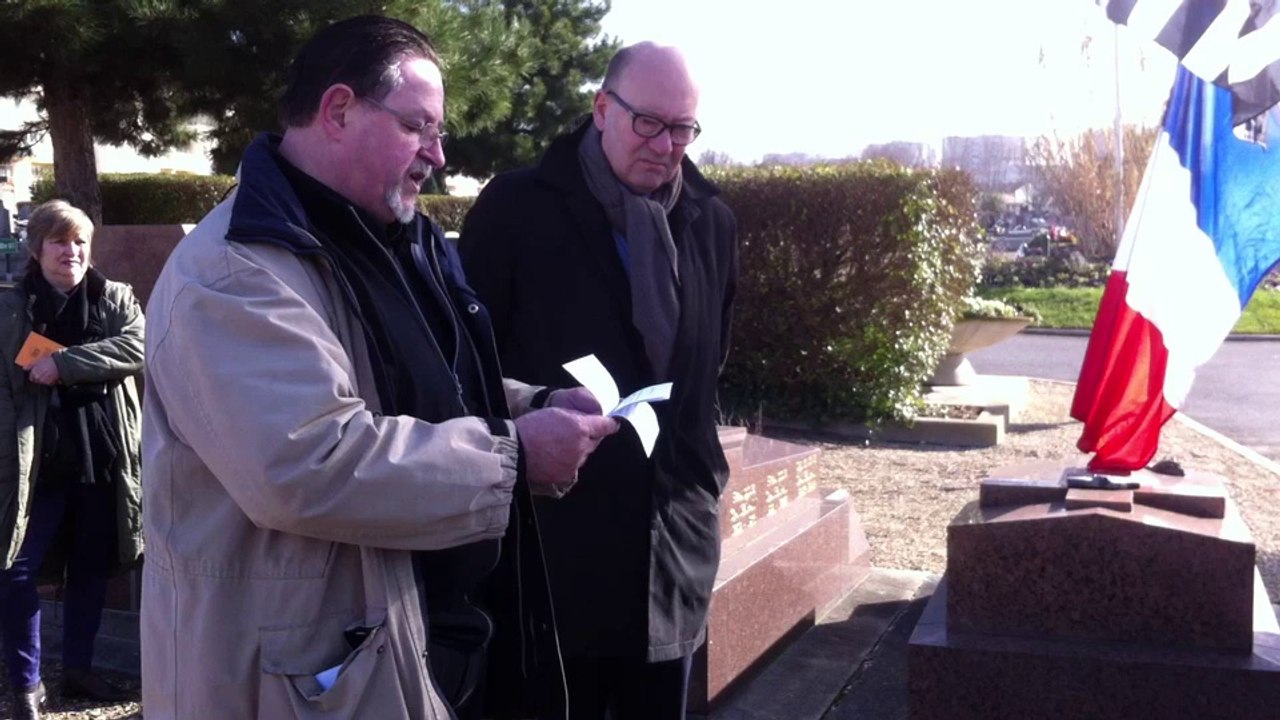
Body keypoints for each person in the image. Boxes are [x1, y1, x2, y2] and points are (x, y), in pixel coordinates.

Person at [140, 15, 617, 720]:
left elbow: (431, 385)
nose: (439, 156)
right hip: (296, 682)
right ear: (338, 110)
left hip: (410, 651)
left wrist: (531, 401)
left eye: (440, 132)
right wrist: (515, 459)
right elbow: (309, 462)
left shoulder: (393, 238)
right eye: (418, 127)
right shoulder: (233, 273)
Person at [460, 42, 739, 720]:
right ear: (602, 109)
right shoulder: (517, 208)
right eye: (648, 122)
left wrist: (703, 485)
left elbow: (707, 371)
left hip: (670, 547)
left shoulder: (711, 221)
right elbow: (463, 361)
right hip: (555, 556)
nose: (667, 146)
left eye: (682, 128)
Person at [0, 199, 145, 720]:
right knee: (17, 569)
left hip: (100, 453)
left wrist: (65, 363)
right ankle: (26, 685)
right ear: (38, 249)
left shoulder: (115, 297)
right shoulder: (12, 308)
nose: (73, 251)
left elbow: (139, 346)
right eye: (61, 241)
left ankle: (79, 670)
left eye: (80, 241)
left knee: (90, 568)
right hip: (35, 463)